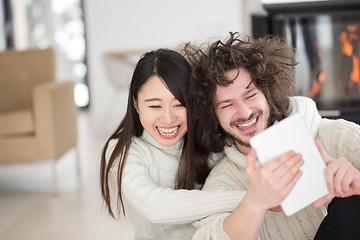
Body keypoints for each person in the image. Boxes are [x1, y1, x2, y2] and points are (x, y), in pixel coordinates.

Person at [99, 48, 304, 240]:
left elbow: (296, 107)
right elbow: (154, 206)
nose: (168, 118)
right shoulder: (124, 152)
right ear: (135, 103)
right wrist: (255, 198)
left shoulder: (211, 140)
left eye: (179, 105)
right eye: (155, 106)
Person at [183, 32, 360, 240]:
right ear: (213, 115)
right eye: (227, 105)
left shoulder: (337, 136)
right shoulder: (223, 184)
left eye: (250, 95)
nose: (245, 112)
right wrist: (255, 202)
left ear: (267, 94)